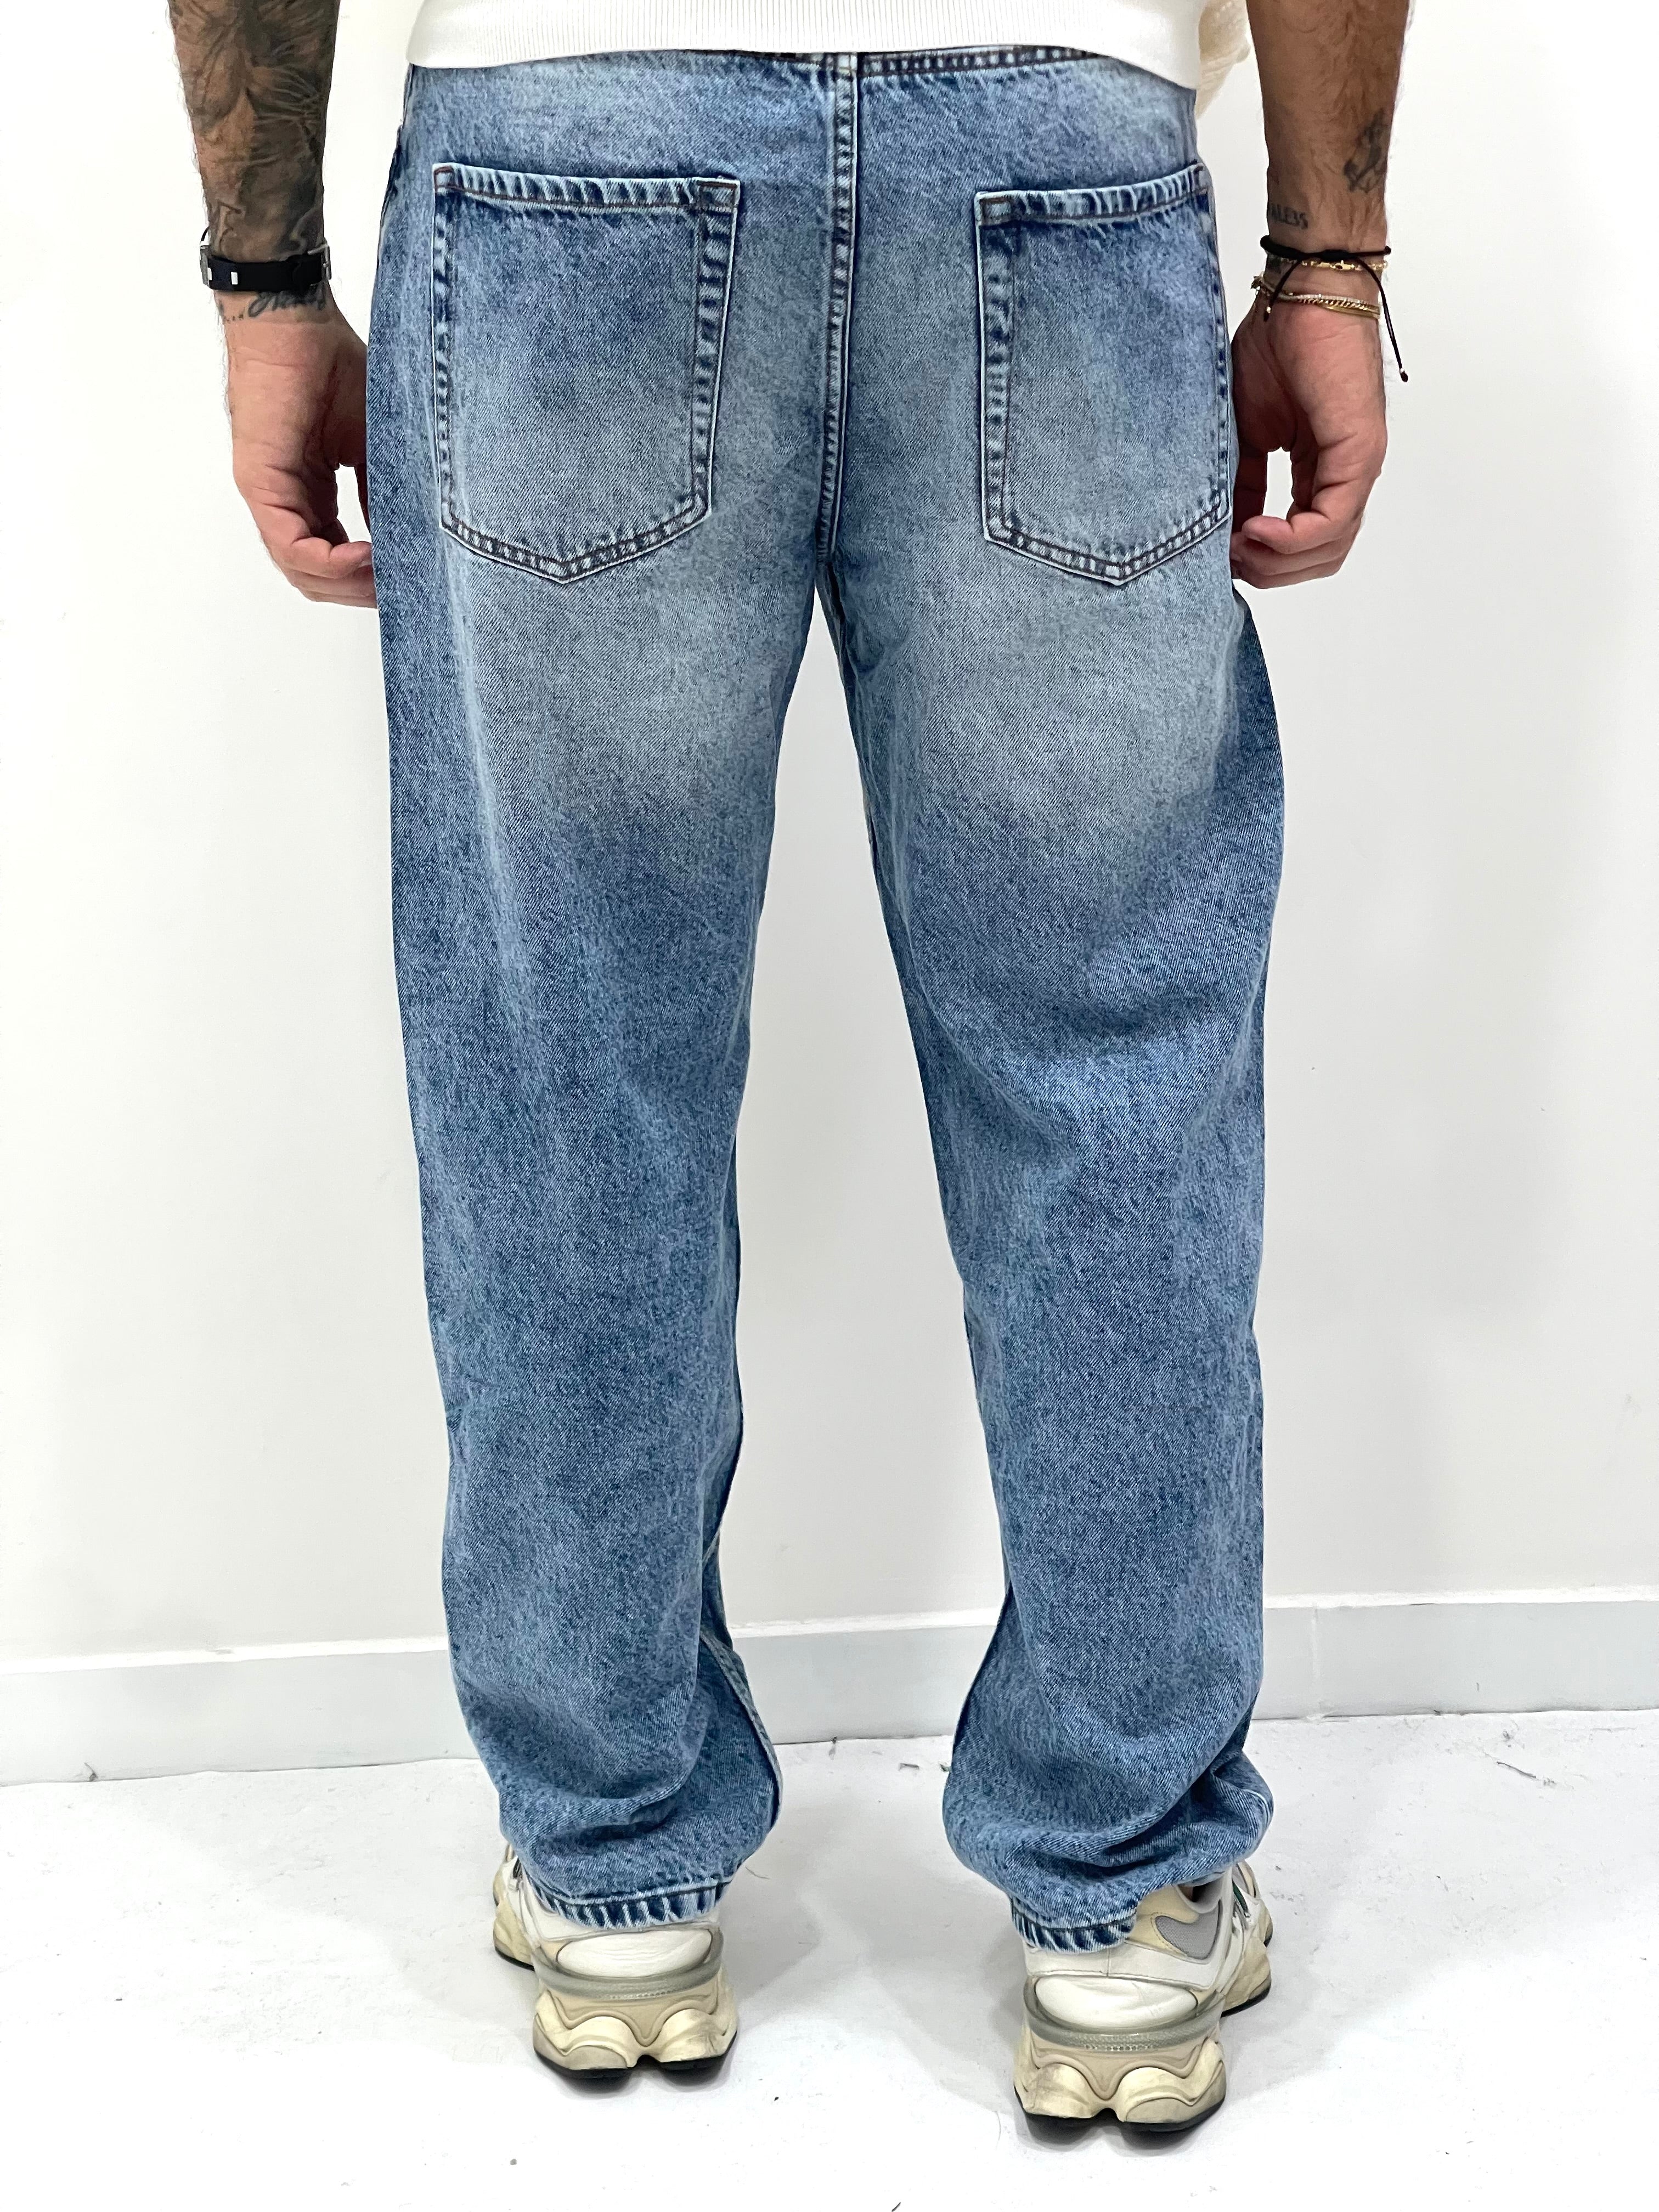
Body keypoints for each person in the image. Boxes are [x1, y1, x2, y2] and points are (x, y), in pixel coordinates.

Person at [168, 0, 1407, 2134]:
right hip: (1062, 135)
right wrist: (1330, 256)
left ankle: (612, 1863)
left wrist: (263, 273)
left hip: (565, 138)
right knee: (1110, 1064)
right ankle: (1125, 1888)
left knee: (569, 1059)